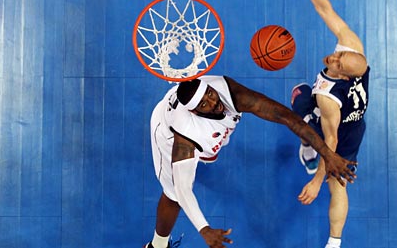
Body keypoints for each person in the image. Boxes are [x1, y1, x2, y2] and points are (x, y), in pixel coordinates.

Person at [145, 75, 358, 248]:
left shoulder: (227, 90)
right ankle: (157, 245)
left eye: (210, 94)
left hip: (204, 129)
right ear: (195, 111)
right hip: (166, 132)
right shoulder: (185, 136)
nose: (213, 102)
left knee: (210, 151)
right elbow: (183, 190)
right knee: (173, 194)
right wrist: (204, 229)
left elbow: (285, 116)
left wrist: (327, 154)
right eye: (204, 104)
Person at [284, 0, 370, 248]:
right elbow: (325, 9)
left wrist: (317, 179)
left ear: (343, 76)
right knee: (340, 181)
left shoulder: (326, 96)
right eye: (339, 54)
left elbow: (330, 144)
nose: (333, 56)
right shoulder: (354, 49)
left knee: (299, 98)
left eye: (336, 62)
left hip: (335, 128)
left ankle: (334, 243)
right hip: (354, 128)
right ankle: (335, 243)